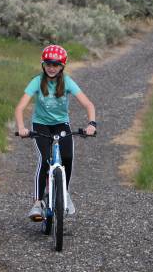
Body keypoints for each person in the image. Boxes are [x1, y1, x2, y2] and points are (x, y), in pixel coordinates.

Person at [13, 44, 97, 222]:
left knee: (67, 157)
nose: (52, 67)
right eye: (48, 64)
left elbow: (88, 104)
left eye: (56, 64)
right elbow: (20, 107)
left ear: (62, 66)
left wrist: (91, 124)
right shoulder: (37, 81)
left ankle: (64, 193)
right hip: (40, 125)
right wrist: (22, 128)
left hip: (61, 125)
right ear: (43, 65)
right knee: (44, 159)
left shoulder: (67, 82)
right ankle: (37, 203)